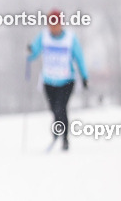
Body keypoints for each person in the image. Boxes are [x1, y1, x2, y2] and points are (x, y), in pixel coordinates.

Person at [26, 9, 88, 151]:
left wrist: (84, 76)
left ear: (61, 24)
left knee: (61, 108)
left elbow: (79, 57)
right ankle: (57, 129)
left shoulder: (70, 38)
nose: (53, 27)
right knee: (54, 109)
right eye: (51, 24)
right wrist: (29, 51)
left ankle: (64, 138)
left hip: (66, 81)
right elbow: (34, 52)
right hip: (48, 81)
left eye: (56, 24)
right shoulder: (44, 36)